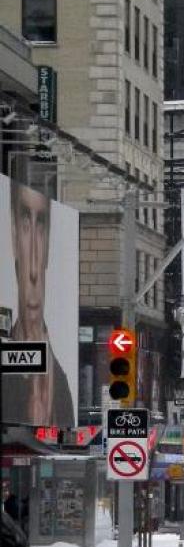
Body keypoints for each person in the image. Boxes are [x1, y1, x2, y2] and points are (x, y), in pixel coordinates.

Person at [3, 178, 75, 428]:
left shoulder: (63, 387)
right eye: (25, 223)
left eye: (41, 225)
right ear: (13, 232)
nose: (33, 267)